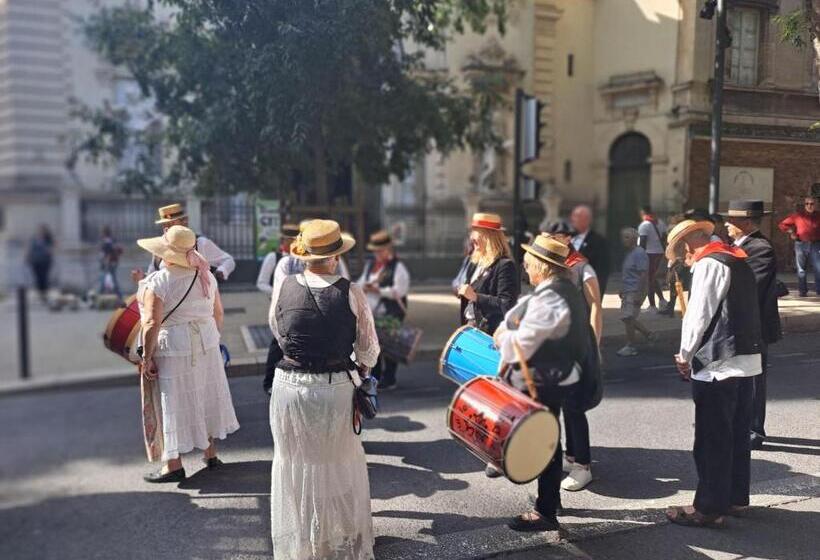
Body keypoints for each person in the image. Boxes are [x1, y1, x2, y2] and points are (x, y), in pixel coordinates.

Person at [267, 220, 379, 559]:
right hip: (333, 388)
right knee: (337, 462)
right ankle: (333, 541)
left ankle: (305, 543)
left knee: (296, 463)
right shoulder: (350, 291)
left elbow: (278, 330)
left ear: (305, 255)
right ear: (335, 257)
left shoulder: (285, 284)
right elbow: (369, 350)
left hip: (288, 386)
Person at [665, 219, 763, 528]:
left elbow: (698, 315)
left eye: (680, 252)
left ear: (688, 244)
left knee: (712, 439)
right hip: (746, 361)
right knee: (736, 436)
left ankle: (707, 508)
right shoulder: (735, 257)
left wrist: (684, 354)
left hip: (718, 365)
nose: (681, 259)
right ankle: (734, 498)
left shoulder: (709, 263)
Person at [493, 234, 591, 533]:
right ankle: (551, 499)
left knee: (545, 442)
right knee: (550, 438)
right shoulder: (559, 290)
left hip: (547, 380)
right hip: (557, 377)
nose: (525, 267)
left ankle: (546, 511)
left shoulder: (551, 297)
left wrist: (501, 337)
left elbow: (520, 345)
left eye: (528, 263)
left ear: (541, 266)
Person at [136, 225, 239, 483]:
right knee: (204, 393)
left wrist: (146, 357)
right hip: (206, 342)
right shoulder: (206, 275)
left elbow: (150, 323)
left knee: (174, 400)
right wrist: (211, 337)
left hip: (174, 347)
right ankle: (211, 453)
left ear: (165, 253)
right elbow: (218, 313)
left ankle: (173, 465)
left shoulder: (159, 281)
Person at [544, 220, 602, 491]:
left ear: (566, 239)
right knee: (564, 403)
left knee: (575, 406)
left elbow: (596, 306)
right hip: (561, 346)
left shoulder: (581, 266)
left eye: (553, 236)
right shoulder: (554, 267)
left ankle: (583, 465)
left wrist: (595, 344)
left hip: (579, 343)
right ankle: (570, 455)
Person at [723, 200, 783, 450]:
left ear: (746, 223)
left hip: (754, 325)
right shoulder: (735, 245)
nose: (726, 224)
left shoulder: (760, 248)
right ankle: (741, 425)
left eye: (731, 220)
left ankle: (754, 430)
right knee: (740, 376)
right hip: (740, 323)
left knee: (755, 378)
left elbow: (750, 287)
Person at [356, 230, 411, 391]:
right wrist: (363, 287)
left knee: (389, 346)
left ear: (388, 249)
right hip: (372, 313)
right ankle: (377, 376)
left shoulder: (398, 266)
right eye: (375, 251)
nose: (377, 254)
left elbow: (400, 290)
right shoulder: (370, 265)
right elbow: (360, 282)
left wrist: (378, 290)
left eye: (380, 250)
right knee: (375, 346)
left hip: (390, 313)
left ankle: (389, 378)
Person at [131, 203, 236, 283]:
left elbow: (228, 260)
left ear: (184, 222)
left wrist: (220, 272)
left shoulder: (200, 243)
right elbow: (153, 276)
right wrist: (142, 277)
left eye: (171, 223)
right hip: (169, 307)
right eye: (164, 224)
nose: (167, 228)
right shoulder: (159, 246)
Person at [457, 213, 519, 335]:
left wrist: (475, 297)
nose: (471, 237)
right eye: (472, 232)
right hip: (471, 330)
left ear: (489, 237)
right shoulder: (474, 262)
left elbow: (507, 304)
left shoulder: (505, 265)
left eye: (476, 232)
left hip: (490, 336)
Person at [257, 223, 301, 395]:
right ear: (283, 240)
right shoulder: (273, 257)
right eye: (290, 240)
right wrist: (276, 291)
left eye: (295, 240)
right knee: (277, 345)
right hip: (279, 307)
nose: (292, 243)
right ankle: (269, 381)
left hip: (298, 307)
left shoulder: (301, 259)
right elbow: (261, 283)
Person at [616, 228, 653, 357]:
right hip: (628, 289)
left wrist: (639, 293)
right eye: (623, 237)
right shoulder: (629, 253)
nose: (623, 240)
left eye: (626, 237)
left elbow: (643, 275)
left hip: (635, 290)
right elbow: (627, 274)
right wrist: (622, 288)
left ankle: (631, 346)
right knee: (627, 318)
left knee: (628, 317)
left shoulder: (639, 253)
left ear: (633, 239)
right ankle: (649, 334)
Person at [778, 195, 819, 297]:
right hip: (801, 244)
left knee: (818, 268)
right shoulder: (797, 216)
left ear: (815, 205)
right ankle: (802, 291)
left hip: (816, 245)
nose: (809, 206)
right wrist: (791, 232)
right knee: (801, 269)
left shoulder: (819, 215)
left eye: (812, 204)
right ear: (804, 205)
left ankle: (819, 290)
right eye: (807, 204)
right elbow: (782, 224)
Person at [570, 205, 610, 295]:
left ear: (588, 220)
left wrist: (596, 294)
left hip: (585, 291)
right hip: (567, 290)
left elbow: (602, 271)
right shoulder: (567, 237)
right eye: (573, 216)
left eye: (577, 216)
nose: (573, 219)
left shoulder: (599, 242)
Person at [637, 205, 668, 312]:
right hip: (659, 253)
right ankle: (662, 300)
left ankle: (652, 306)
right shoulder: (660, 223)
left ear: (643, 214)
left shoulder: (644, 225)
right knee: (653, 278)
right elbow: (665, 238)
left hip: (649, 254)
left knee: (649, 280)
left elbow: (643, 242)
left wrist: (639, 256)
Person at [26, 225, 54, 303]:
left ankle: (44, 294)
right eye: (39, 230)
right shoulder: (34, 239)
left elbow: (52, 249)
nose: (40, 232)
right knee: (37, 278)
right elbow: (29, 249)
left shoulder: (48, 240)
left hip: (45, 262)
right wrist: (27, 258)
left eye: (42, 230)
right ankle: (40, 294)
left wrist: (47, 248)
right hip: (35, 261)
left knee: (44, 278)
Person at [98, 225, 124, 302]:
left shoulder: (107, 242)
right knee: (110, 279)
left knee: (108, 279)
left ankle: (118, 295)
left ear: (104, 233)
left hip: (109, 263)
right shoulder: (112, 240)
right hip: (112, 263)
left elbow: (107, 254)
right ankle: (118, 295)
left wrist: (106, 262)